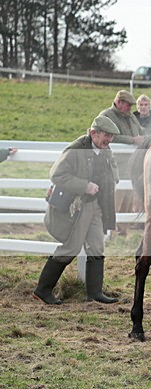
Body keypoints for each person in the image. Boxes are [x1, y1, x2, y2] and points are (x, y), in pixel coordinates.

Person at [33, 116, 121, 305]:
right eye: (106, 135)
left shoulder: (105, 149)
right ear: (93, 133)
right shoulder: (76, 150)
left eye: (111, 136)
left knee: (97, 247)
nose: (109, 140)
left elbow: (112, 174)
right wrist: (84, 185)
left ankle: (95, 293)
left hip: (96, 206)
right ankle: (43, 290)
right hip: (79, 206)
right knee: (71, 248)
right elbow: (56, 174)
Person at [101, 90, 144, 235]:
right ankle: (109, 230)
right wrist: (132, 141)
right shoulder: (106, 116)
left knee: (128, 197)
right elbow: (109, 137)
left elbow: (139, 130)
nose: (130, 108)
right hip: (115, 163)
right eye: (127, 105)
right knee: (115, 197)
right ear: (119, 102)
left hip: (131, 163)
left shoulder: (130, 116)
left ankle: (122, 231)